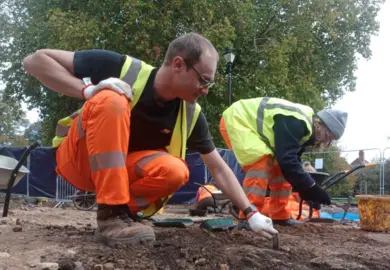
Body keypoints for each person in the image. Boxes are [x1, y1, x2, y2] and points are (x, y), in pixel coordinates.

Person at [23, 32, 278, 245]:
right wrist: (88, 90)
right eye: (203, 80)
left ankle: (123, 214)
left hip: (118, 174)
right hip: (79, 162)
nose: (206, 90)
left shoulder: (189, 113)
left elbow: (219, 168)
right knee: (113, 99)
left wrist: (251, 212)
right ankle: (110, 215)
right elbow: (35, 61)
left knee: (175, 170)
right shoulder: (122, 69)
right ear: (179, 64)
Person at [219, 97, 348, 226]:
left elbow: (292, 163)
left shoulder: (306, 132)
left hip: (248, 126)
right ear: (321, 124)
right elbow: (288, 160)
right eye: (328, 134)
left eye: (331, 138)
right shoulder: (296, 120)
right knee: (261, 163)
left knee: (280, 171)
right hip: (238, 120)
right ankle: (250, 216)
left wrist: (305, 189)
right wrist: (311, 187)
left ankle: (280, 216)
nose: (326, 140)